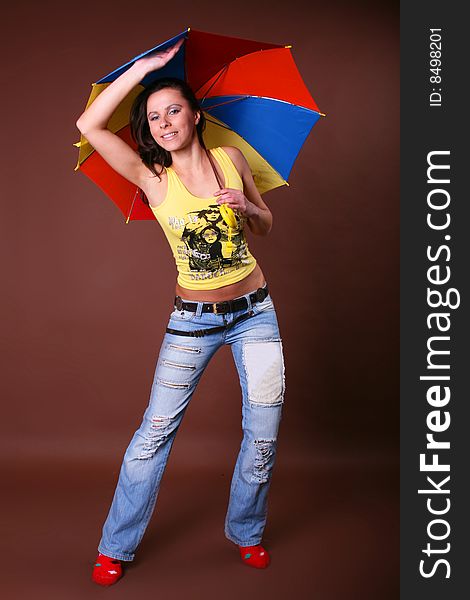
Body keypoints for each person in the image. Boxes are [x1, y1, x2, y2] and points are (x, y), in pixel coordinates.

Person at [76, 38, 285, 587]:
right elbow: (90, 126)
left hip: (255, 315)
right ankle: (115, 546)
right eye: (154, 117)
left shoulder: (231, 160)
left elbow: (264, 224)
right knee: (153, 434)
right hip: (191, 322)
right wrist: (143, 69)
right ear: (150, 131)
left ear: (195, 114)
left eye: (174, 109)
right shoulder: (152, 178)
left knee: (263, 431)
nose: (165, 122)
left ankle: (247, 532)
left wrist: (249, 208)